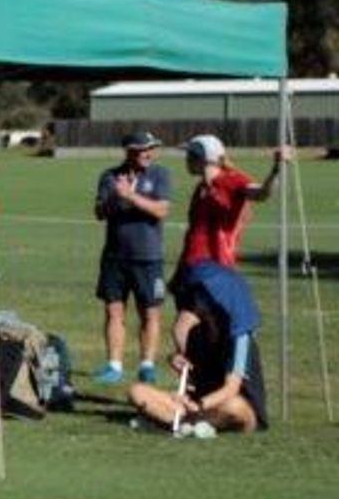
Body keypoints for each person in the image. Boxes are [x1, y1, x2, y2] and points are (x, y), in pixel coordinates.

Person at [128, 261, 265, 437]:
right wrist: (176, 359)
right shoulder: (197, 332)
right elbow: (191, 378)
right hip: (197, 403)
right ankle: (187, 423)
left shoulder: (240, 337)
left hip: (230, 404)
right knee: (137, 391)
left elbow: (231, 388)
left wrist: (200, 404)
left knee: (234, 406)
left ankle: (174, 421)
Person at [92, 131, 172, 384]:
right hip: (114, 257)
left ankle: (147, 366)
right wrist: (115, 197)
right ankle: (114, 366)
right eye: (143, 149)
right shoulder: (109, 176)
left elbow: (161, 210)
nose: (149, 153)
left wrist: (131, 197)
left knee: (150, 313)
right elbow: (99, 212)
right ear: (129, 151)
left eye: (151, 148)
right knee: (113, 311)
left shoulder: (160, 175)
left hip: (148, 257)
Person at [177, 134, 291, 278]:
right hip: (191, 265)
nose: (186, 160)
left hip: (216, 268)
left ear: (205, 158)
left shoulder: (232, 180)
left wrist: (277, 168)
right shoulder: (200, 188)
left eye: (190, 155)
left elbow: (262, 193)